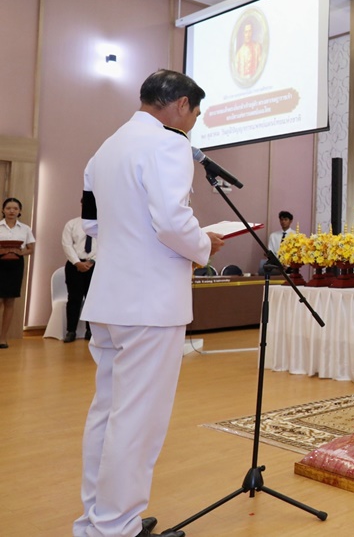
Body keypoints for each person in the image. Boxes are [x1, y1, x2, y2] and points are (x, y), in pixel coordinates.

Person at [74, 69, 224, 537]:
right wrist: (205, 243)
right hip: (151, 304)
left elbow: (91, 225)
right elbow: (172, 223)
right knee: (138, 421)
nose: (193, 124)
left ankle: (98, 519)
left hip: (110, 300)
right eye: (195, 114)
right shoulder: (169, 143)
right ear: (181, 105)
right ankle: (118, 526)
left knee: (108, 412)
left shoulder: (104, 150)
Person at [0, 197, 34, 349]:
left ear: (20, 211)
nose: (11, 211)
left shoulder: (25, 228)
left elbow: (31, 249)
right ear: (3, 210)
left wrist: (20, 252)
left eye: (15, 208)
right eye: (8, 208)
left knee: (10, 301)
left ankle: (3, 338)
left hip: (15, 266)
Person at [61, 214, 96, 343]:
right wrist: (77, 262)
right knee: (74, 298)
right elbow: (67, 245)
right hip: (74, 265)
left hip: (95, 265)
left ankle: (90, 331)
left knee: (91, 299)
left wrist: (92, 261)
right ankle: (71, 331)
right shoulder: (72, 223)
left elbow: (106, 243)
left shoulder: (104, 224)